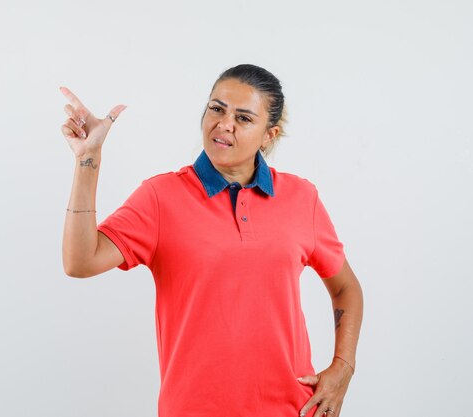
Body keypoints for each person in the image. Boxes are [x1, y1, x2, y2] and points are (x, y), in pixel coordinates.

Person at [60, 64, 363, 417]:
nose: (224, 124)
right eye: (216, 109)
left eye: (244, 118)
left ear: (269, 135)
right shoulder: (161, 197)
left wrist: (343, 366)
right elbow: (80, 262)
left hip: (293, 409)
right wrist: (88, 160)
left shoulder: (301, 197)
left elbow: (346, 288)